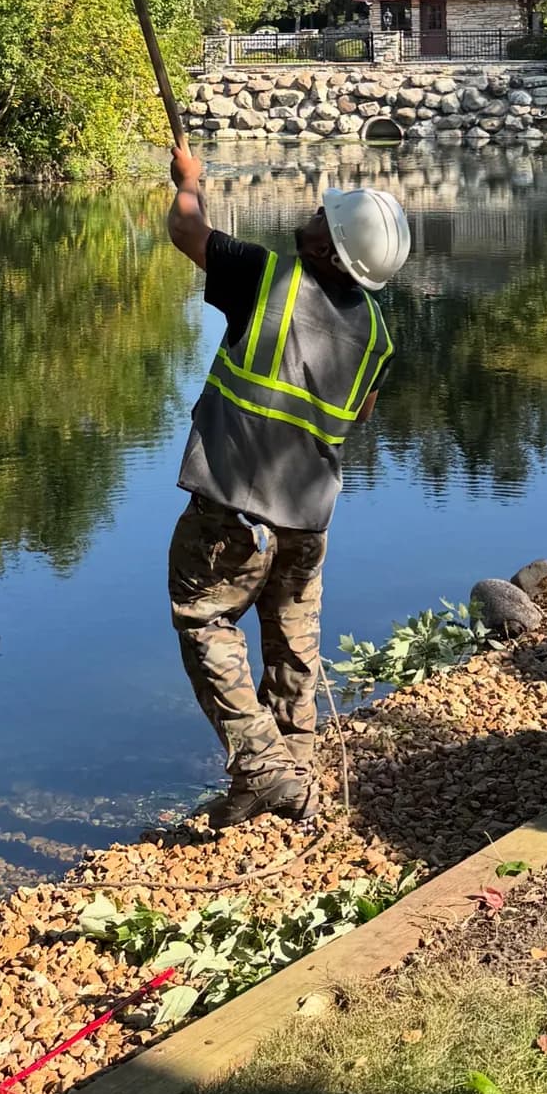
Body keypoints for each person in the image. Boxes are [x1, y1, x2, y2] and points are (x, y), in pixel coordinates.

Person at [163, 143, 412, 828]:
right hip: (307, 517)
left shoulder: (268, 277)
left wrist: (190, 183)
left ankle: (262, 768)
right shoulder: (378, 335)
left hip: (234, 507)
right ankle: (294, 776)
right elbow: (355, 412)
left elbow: (187, 230)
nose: (309, 214)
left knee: (204, 618)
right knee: (293, 635)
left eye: (321, 217)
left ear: (330, 247)